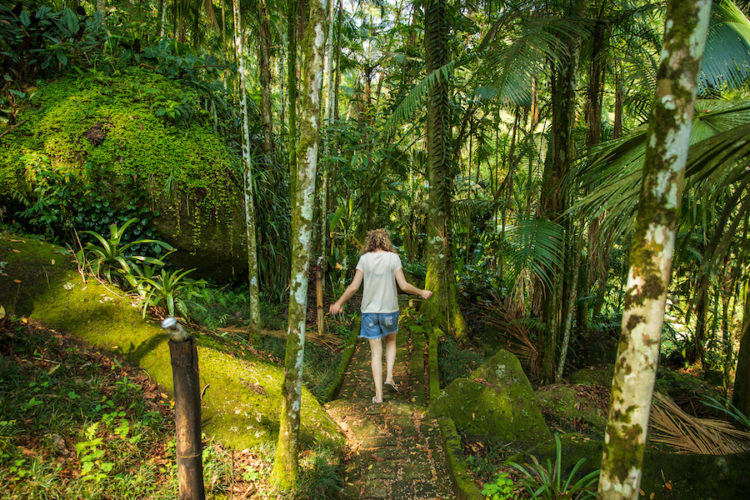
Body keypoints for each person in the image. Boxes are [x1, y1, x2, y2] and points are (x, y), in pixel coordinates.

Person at [329, 229, 432, 403]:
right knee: (391, 341)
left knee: (375, 353)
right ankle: (389, 377)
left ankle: (379, 396)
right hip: (389, 310)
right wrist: (421, 292)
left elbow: (354, 287)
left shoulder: (364, 259)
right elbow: (404, 285)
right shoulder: (393, 258)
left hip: (370, 312)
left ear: (369, 242)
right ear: (386, 241)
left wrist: (339, 303)